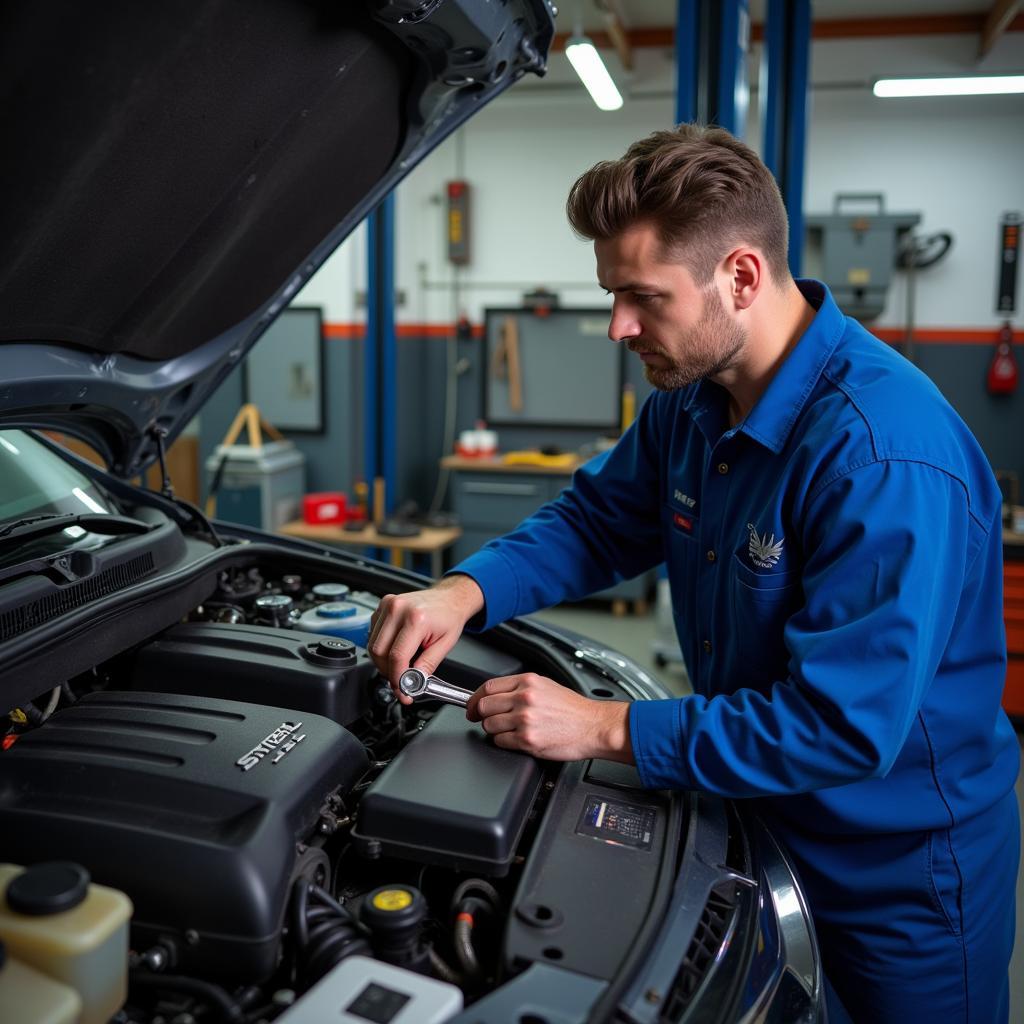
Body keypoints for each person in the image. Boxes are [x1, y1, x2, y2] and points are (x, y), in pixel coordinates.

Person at [367, 124, 1020, 1022]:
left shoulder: (882, 456)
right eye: (612, 296)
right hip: (756, 814)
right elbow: (599, 519)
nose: (617, 328)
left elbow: (839, 725)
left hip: (896, 872)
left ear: (741, 277)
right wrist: (465, 590)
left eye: (641, 297)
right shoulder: (693, 400)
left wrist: (602, 727)